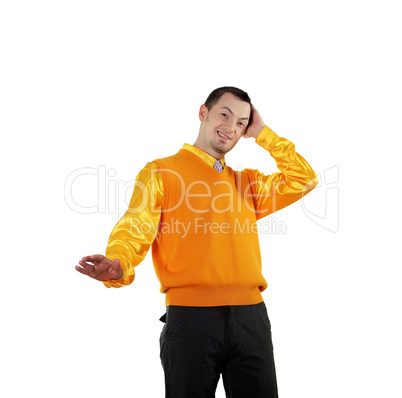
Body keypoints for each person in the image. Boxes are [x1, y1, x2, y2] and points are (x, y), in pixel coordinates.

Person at [75, 86, 318, 397]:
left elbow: (304, 178)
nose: (231, 128)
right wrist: (118, 264)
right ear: (203, 113)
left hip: (251, 318)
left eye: (241, 122)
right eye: (225, 115)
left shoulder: (247, 183)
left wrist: (262, 133)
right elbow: (135, 228)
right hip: (191, 319)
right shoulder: (162, 172)